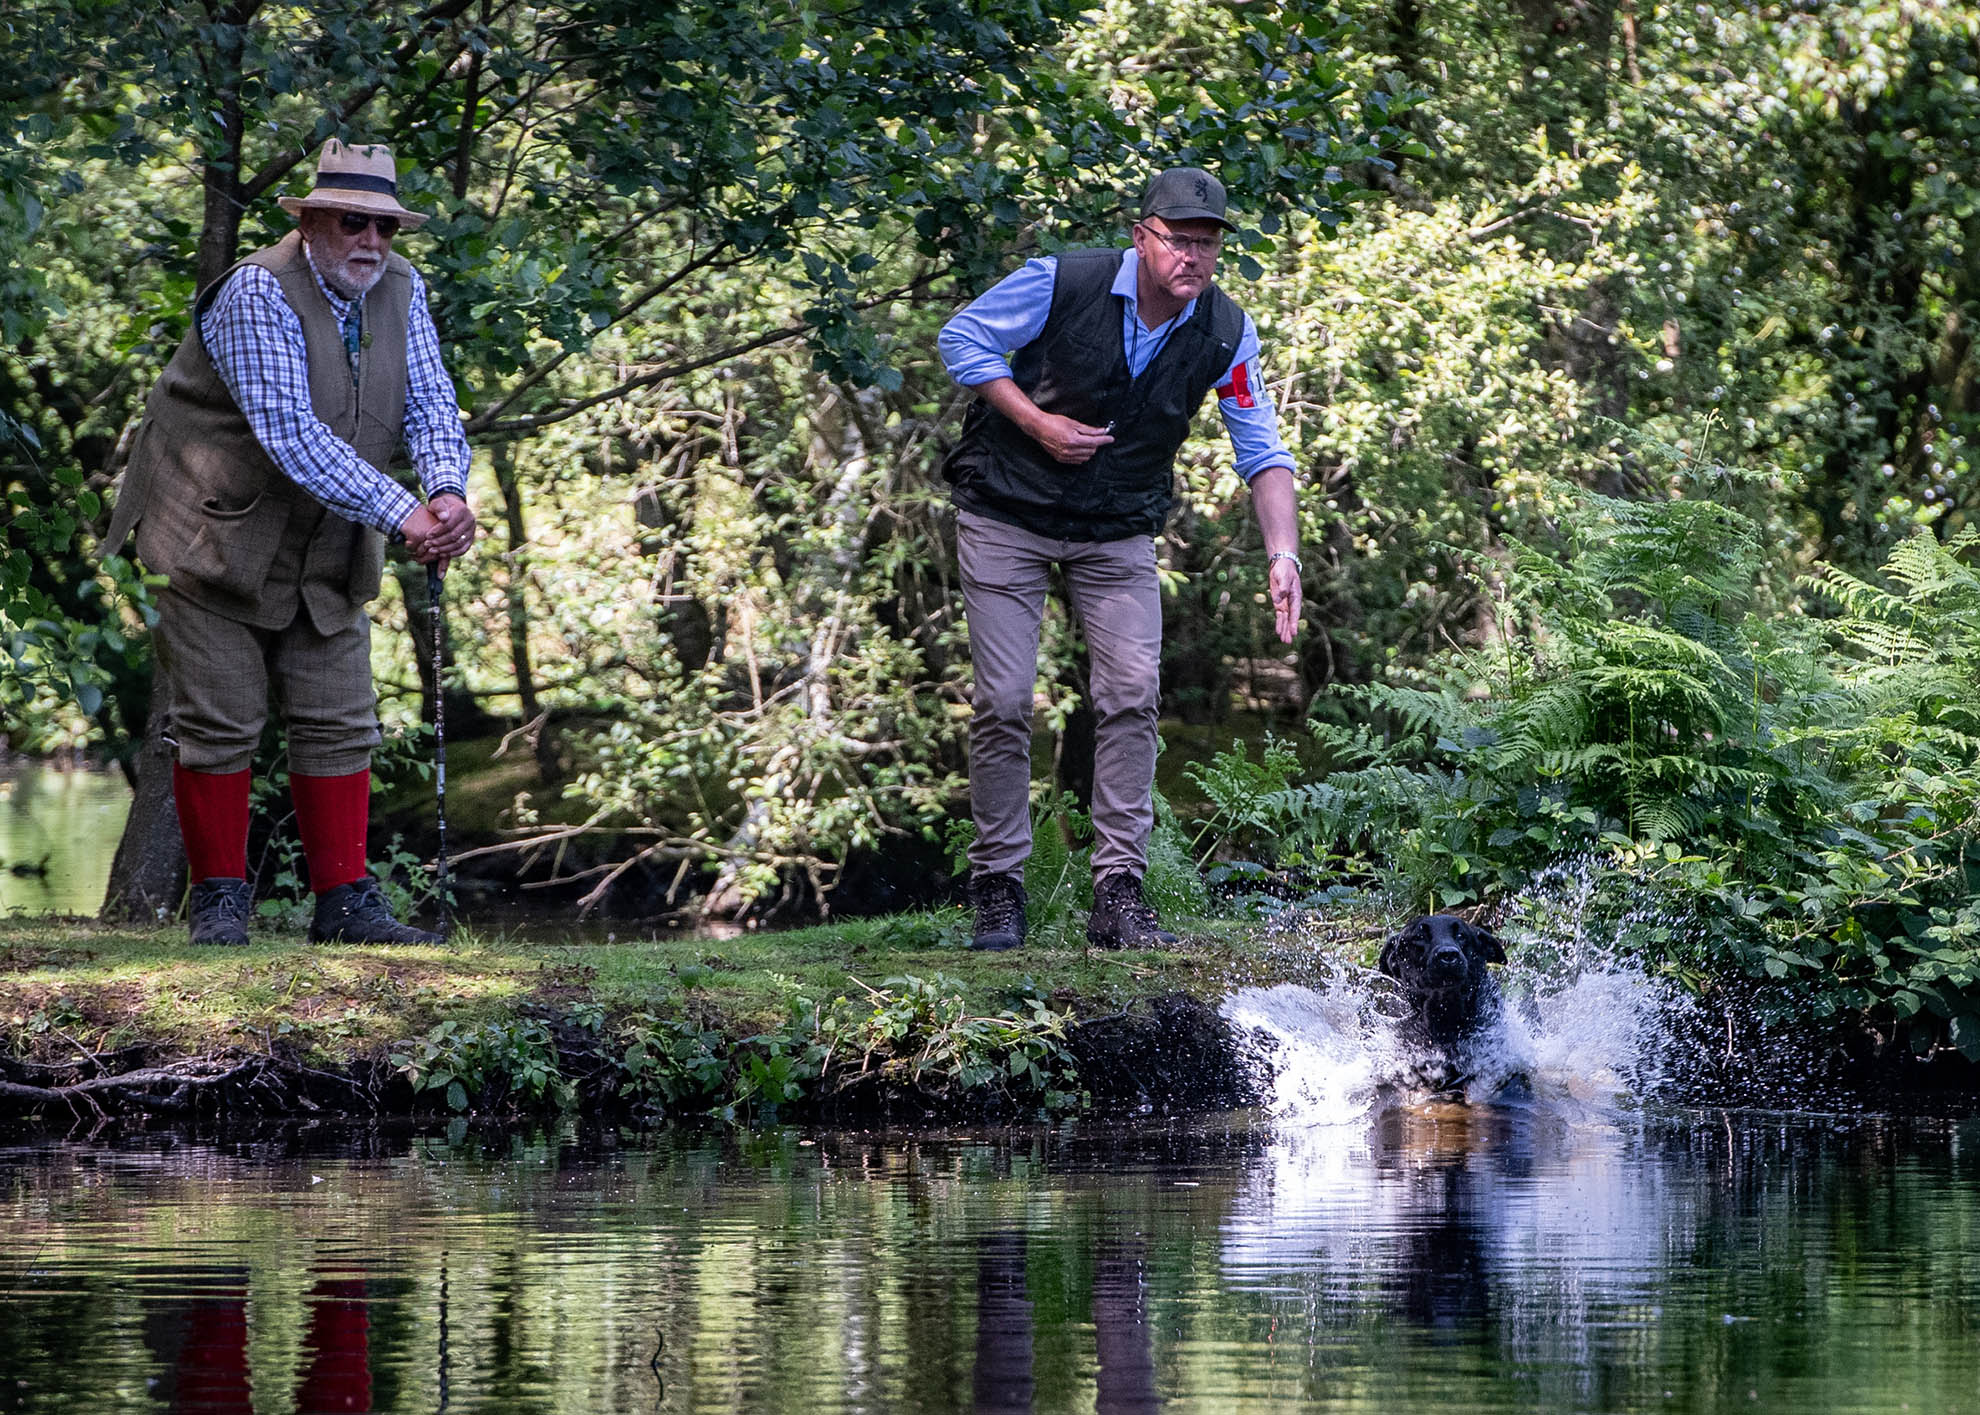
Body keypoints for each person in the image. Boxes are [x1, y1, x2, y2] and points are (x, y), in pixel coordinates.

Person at [103, 139, 477, 945]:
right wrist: (405, 514)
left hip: (326, 541)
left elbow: (433, 404)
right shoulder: (256, 293)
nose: (372, 242)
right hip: (209, 533)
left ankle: (345, 905)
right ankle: (220, 907)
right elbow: (292, 438)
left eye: (386, 227)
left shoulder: (402, 290)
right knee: (219, 719)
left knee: (341, 717)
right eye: (353, 222)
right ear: (309, 222)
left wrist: (447, 491)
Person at [939, 166, 1303, 951]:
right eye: (1179, 240)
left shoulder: (1226, 333)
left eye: (1207, 244)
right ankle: (999, 887)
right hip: (1007, 510)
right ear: (1142, 236)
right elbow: (961, 337)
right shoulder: (1059, 282)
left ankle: (1119, 896)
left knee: (1135, 692)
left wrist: (1284, 554)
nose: (1194, 258)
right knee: (1004, 698)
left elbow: (1262, 447)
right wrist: (1034, 420)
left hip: (1115, 527)